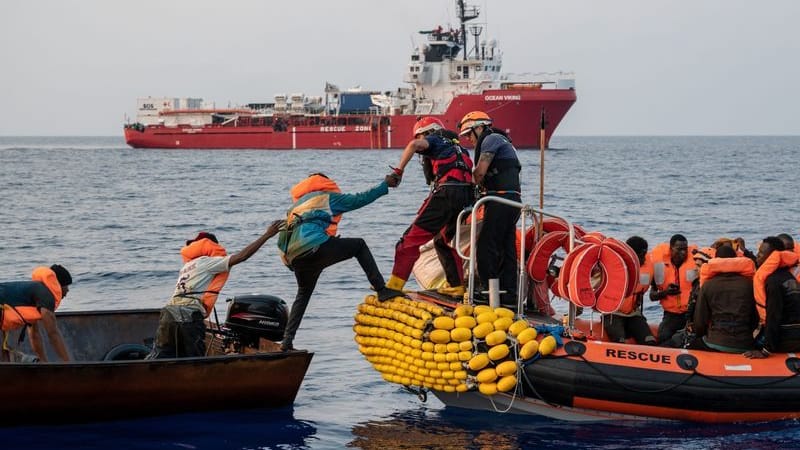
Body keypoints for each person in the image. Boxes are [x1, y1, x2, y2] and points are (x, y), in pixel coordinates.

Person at [277, 172, 403, 352]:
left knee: (303, 295)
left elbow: (283, 239)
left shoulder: (295, 208)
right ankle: (381, 290)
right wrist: (385, 185)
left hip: (295, 258)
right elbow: (359, 199)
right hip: (314, 246)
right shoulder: (326, 198)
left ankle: (287, 341)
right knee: (359, 246)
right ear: (324, 183)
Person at [149, 223, 282, 359]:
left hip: (168, 313)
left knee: (161, 355)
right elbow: (242, 257)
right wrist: (267, 235)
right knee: (195, 360)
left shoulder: (187, 266)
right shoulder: (207, 261)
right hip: (188, 315)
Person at [384, 117, 474, 297]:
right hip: (466, 197)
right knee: (443, 241)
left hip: (446, 194)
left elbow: (413, 145)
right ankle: (456, 285)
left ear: (425, 133)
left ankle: (393, 287)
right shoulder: (459, 147)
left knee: (408, 241)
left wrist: (398, 172)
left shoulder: (433, 138)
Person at [458, 111, 522, 307]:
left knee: (486, 246)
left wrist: (465, 184)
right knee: (506, 247)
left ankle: (488, 292)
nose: (468, 139)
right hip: (513, 201)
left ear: (480, 128)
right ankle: (509, 295)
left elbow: (480, 172)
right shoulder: (504, 142)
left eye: (469, 134)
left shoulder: (490, 140)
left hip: (500, 199)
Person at [692, 245, 758, 352]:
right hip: (745, 343)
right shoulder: (750, 285)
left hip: (715, 341)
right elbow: (755, 318)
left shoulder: (708, 285)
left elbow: (700, 322)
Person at [0, 264, 72, 362]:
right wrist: (69, 364)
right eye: (66, 286)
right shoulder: (46, 296)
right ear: (58, 284)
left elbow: (34, 334)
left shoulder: (36, 292)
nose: (67, 290)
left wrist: (43, 362)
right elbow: (53, 333)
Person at [746, 237, 800, 358]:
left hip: (787, 340)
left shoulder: (772, 282)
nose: (757, 255)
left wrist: (766, 350)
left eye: (761, 253)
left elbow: (774, 316)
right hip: (795, 334)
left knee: (745, 346)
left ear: (772, 257)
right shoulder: (788, 276)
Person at [601, 236, 656, 345]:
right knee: (619, 341)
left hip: (633, 314)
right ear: (631, 254)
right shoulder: (613, 267)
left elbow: (655, 287)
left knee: (649, 341)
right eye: (641, 256)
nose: (644, 259)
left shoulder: (648, 266)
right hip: (613, 313)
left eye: (645, 255)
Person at [649, 234, 697, 344]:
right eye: (679, 249)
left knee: (692, 341)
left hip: (690, 314)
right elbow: (652, 296)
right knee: (663, 338)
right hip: (671, 315)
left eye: (685, 249)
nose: (683, 253)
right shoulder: (659, 266)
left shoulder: (695, 263)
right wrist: (666, 292)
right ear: (671, 249)